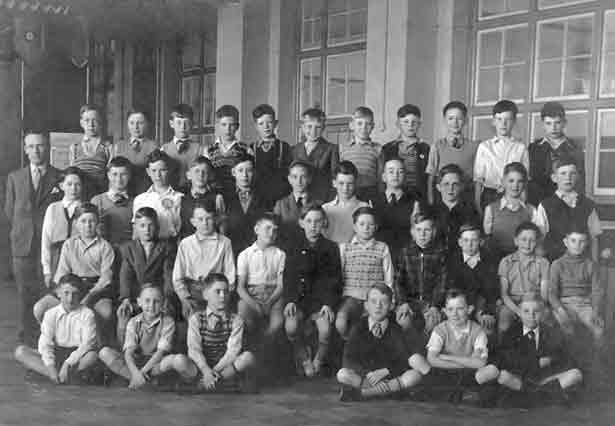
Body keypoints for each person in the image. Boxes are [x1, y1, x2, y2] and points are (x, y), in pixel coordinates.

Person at [5, 130, 62, 344]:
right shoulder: (15, 177)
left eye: (40, 146)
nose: (36, 150)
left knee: (47, 291)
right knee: (24, 292)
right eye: (31, 146)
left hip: (50, 245)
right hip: (23, 244)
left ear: (47, 147)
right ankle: (26, 337)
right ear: (25, 149)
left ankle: (46, 337)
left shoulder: (59, 176)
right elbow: (10, 212)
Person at [337, 283, 430, 401]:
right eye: (373, 302)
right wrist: (368, 374)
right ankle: (389, 392)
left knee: (414, 375)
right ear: (366, 305)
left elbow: (403, 359)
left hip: (390, 376)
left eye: (384, 302)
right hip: (367, 378)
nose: (378, 306)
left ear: (391, 306)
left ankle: (364, 394)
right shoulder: (358, 328)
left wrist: (385, 371)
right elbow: (348, 358)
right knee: (342, 374)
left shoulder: (395, 328)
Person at [34, 204, 115, 336]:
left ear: (97, 224)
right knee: (40, 308)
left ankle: (92, 344)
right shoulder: (69, 244)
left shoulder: (105, 247)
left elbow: (105, 279)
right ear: (77, 224)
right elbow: (62, 273)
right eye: (83, 221)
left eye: (92, 221)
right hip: (71, 287)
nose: (88, 225)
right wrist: (66, 294)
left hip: (95, 290)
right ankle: (56, 339)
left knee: (106, 312)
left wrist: (89, 296)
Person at [283, 204, 342, 377]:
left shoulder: (331, 248)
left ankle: (318, 360)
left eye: (317, 221)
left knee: (325, 330)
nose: (313, 225)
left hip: (320, 302)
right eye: (309, 221)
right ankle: (303, 358)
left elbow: (335, 280)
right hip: (299, 300)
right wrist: (290, 300)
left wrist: (328, 304)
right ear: (301, 223)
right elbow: (288, 277)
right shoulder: (293, 246)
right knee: (291, 327)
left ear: (324, 223)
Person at [497, 293, 582, 407]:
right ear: (520, 313)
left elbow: (558, 358)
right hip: (521, 379)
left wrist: (549, 361)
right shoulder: (511, 333)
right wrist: (536, 362)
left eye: (535, 311)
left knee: (576, 374)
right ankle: (544, 396)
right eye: (526, 311)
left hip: (543, 379)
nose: (531, 315)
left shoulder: (550, 332)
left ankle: (532, 397)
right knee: (503, 376)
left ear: (541, 314)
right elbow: (509, 360)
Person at [173, 274, 256, 392]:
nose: (223, 296)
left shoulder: (236, 320)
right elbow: (194, 349)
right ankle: (213, 383)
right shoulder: (196, 319)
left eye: (226, 292)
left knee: (248, 357)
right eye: (217, 291)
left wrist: (214, 372)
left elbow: (233, 352)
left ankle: (209, 383)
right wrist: (206, 370)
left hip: (224, 368)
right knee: (179, 361)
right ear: (205, 295)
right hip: (201, 367)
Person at [15, 274, 98, 384]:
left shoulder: (88, 314)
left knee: (92, 356)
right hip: (56, 353)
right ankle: (58, 376)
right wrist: (50, 367)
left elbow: (87, 344)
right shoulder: (50, 314)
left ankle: (59, 376)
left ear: (80, 294)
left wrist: (68, 364)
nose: (70, 299)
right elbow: (45, 344)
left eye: (75, 294)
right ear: (58, 293)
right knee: (20, 352)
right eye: (66, 293)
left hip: (77, 356)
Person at [425, 289, 499, 405]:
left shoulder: (477, 331)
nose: (454, 314)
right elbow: (431, 359)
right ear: (444, 311)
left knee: (492, 371)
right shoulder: (440, 330)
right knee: (430, 372)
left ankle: (461, 392)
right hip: (446, 372)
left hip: (468, 374)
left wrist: (449, 357)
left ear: (469, 309)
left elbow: (480, 363)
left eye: (460, 309)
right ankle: (461, 393)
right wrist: (465, 362)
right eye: (450, 309)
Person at [99, 285, 179, 389]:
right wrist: (135, 373)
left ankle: (142, 379)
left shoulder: (168, 322)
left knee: (174, 360)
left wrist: (143, 371)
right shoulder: (133, 322)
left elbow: (160, 352)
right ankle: (137, 379)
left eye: (156, 301)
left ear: (163, 304)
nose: (151, 305)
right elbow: (128, 353)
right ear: (139, 302)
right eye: (147, 301)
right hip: (136, 362)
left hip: (155, 363)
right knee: (104, 352)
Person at [117, 207, 175, 341]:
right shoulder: (128, 248)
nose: (147, 230)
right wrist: (125, 299)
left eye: (151, 225)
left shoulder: (166, 247)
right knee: (123, 313)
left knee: (168, 313)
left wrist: (166, 297)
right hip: (137, 297)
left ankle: (160, 349)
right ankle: (124, 349)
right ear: (135, 227)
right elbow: (125, 275)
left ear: (157, 227)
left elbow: (168, 275)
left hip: (158, 296)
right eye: (142, 226)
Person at [335, 207, 393, 340]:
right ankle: (351, 342)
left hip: (374, 298)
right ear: (355, 226)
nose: (366, 228)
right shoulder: (345, 247)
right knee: (341, 323)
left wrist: (391, 299)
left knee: (369, 328)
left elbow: (388, 276)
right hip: (351, 297)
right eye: (362, 224)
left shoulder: (382, 247)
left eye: (370, 224)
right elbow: (340, 276)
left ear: (376, 227)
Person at [173, 200, 235, 321]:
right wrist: (185, 298)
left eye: (209, 219)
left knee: (218, 321)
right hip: (193, 293)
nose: (205, 223)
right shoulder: (186, 244)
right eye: (200, 219)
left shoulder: (225, 242)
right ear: (193, 222)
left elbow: (230, 276)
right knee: (195, 322)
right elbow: (177, 277)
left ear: (215, 220)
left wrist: (223, 298)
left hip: (217, 292)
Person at [535, 158, 601, 262]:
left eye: (572, 173)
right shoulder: (545, 205)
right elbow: (539, 240)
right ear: (554, 178)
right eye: (563, 173)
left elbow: (594, 239)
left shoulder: (588, 205)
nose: (568, 178)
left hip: (582, 265)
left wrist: (595, 265)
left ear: (578, 176)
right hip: (554, 263)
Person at [236, 213, 285, 346]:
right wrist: (254, 304)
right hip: (252, 294)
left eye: (275, 230)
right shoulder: (245, 255)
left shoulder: (280, 254)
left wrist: (269, 302)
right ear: (257, 229)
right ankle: (253, 344)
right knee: (243, 312)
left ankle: (265, 343)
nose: (271, 233)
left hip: (273, 295)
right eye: (267, 228)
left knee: (278, 322)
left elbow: (281, 286)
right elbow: (240, 287)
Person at [394, 211, 447, 335]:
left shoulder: (440, 253)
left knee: (433, 325)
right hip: (409, 301)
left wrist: (435, 305)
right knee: (404, 323)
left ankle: (428, 352)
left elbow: (442, 283)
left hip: (431, 302)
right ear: (412, 232)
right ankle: (410, 353)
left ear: (433, 232)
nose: (422, 234)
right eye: (418, 230)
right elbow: (397, 281)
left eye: (427, 230)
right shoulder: (405, 252)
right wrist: (403, 302)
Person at [549, 229, 605, 346]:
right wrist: (560, 309)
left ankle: (596, 362)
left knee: (598, 330)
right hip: (564, 304)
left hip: (585, 304)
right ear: (566, 242)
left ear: (587, 243)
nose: (577, 245)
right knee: (566, 328)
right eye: (573, 241)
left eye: (581, 241)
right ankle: (567, 361)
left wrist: (595, 311)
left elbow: (597, 291)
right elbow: (552, 293)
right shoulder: (557, 264)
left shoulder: (591, 265)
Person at [473, 100, 529, 214]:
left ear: (514, 122)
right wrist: (478, 205)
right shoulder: (484, 147)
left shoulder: (521, 148)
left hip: (514, 195)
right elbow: (478, 180)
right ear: (493, 121)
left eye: (507, 120)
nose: (503, 124)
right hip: (489, 196)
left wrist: (523, 203)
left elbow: (525, 181)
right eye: (499, 119)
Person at [497, 222, 550, 338]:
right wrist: (518, 311)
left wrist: (534, 308)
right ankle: (503, 352)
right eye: (523, 239)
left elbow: (544, 295)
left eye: (532, 240)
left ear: (537, 242)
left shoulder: (543, 263)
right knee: (505, 318)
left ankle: (541, 351)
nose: (527, 244)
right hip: (512, 303)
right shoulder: (506, 262)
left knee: (546, 318)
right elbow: (504, 294)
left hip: (535, 302)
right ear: (516, 241)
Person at [528, 101, 584, 206]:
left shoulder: (574, 148)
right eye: (548, 123)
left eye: (557, 123)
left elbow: (580, 181)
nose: (553, 128)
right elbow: (531, 180)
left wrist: (577, 205)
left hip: (566, 203)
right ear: (542, 124)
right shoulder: (533, 148)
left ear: (564, 123)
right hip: (538, 203)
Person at [446, 224, 498, 337]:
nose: (469, 244)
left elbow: (491, 290)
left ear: (481, 242)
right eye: (465, 240)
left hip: (482, 306)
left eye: (474, 240)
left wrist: (484, 312)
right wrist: (467, 309)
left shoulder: (488, 260)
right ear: (460, 242)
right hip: (461, 306)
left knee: (487, 329)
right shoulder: (453, 261)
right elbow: (453, 289)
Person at [483, 162, 538, 261]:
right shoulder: (491, 209)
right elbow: (488, 240)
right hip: (496, 260)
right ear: (503, 182)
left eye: (520, 181)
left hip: (523, 261)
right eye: (511, 181)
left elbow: (535, 241)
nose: (515, 185)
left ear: (525, 183)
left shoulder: (531, 210)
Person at [426, 101, 478, 205]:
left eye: (459, 118)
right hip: (443, 201)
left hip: (466, 199)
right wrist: (431, 202)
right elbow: (431, 178)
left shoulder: (474, 146)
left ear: (466, 121)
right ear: (444, 121)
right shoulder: (437, 146)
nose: (455, 122)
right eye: (450, 118)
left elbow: (477, 179)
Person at [40, 166, 83, 291]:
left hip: (78, 259)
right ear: (61, 186)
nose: (73, 189)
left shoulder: (86, 208)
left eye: (77, 184)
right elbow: (46, 241)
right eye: (69, 184)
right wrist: (47, 271)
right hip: (56, 260)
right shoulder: (53, 208)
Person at [370, 156, 420, 261]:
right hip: (378, 256)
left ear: (405, 176)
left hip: (405, 257)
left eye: (400, 172)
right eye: (391, 171)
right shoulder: (372, 201)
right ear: (383, 177)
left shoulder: (414, 201)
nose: (396, 175)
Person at [379, 104, 430, 200]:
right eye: (406, 122)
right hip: (395, 194)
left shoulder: (426, 148)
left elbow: (428, 177)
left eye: (414, 122)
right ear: (398, 124)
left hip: (418, 194)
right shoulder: (388, 148)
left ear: (419, 124)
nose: (410, 125)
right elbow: (382, 175)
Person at [224, 153, 269, 257]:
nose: (245, 175)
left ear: (254, 172)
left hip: (257, 252)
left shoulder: (264, 197)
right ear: (233, 172)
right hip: (231, 251)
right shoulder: (224, 197)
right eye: (240, 170)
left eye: (249, 170)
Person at [133, 150, 183, 240]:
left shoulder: (179, 198)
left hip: (171, 244)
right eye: (154, 170)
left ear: (169, 170)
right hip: (146, 246)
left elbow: (182, 229)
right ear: (148, 172)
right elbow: (136, 232)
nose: (158, 175)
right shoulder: (140, 199)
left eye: (162, 170)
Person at [291, 107, 339, 202]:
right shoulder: (294, 149)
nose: (313, 131)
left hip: (321, 199)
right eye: (309, 126)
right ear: (303, 127)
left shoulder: (331, 149)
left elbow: (335, 178)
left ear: (323, 128)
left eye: (318, 127)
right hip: (299, 199)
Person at [204, 104, 252, 195]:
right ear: (218, 126)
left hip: (238, 195)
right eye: (224, 125)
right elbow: (206, 176)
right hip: (215, 195)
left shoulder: (245, 149)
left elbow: (250, 176)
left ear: (237, 126)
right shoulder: (209, 150)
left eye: (232, 125)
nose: (228, 129)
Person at [431, 164, 479, 254]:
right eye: (446, 184)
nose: (450, 188)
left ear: (461, 186)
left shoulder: (470, 212)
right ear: (438, 187)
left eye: (455, 184)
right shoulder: (430, 212)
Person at [250, 104, 292, 205]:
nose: (266, 127)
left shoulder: (284, 147)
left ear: (276, 123)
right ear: (256, 126)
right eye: (261, 124)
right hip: (258, 197)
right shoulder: (251, 148)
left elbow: (288, 175)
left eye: (269, 122)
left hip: (280, 196)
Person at [70, 104, 113, 198]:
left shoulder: (108, 147)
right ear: (81, 123)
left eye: (95, 120)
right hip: (79, 194)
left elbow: (111, 175)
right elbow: (72, 174)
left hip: (99, 192)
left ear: (100, 122)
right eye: (87, 120)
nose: (91, 125)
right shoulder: (75, 147)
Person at [338, 106, 381, 201]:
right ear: (352, 125)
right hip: (348, 193)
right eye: (359, 123)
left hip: (370, 193)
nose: (364, 128)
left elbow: (380, 177)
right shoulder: (342, 148)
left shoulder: (378, 149)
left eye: (368, 124)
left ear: (373, 126)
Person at [322, 161, 369, 245]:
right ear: (334, 183)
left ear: (356, 183)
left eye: (350, 184)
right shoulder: (325, 209)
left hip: (355, 254)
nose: (345, 188)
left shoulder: (364, 207)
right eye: (341, 183)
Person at [91, 156, 134, 246]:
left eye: (123, 174)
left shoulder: (136, 201)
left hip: (128, 251)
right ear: (108, 175)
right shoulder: (97, 201)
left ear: (129, 176)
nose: (119, 179)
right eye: (114, 174)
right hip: (103, 250)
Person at [179, 156, 226, 239]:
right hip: (189, 247)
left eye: (205, 172)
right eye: (197, 171)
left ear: (210, 175)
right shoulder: (181, 199)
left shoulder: (217, 198)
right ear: (188, 175)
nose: (201, 175)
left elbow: (222, 227)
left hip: (211, 245)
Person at [113, 109, 159, 194]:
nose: (135, 127)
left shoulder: (153, 146)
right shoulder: (119, 146)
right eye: (132, 123)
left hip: (145, 191)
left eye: (140, 123)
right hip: (123, 192)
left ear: (147, 124)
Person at [273, 160, 317, 245]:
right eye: (295, 177)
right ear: (289, 179)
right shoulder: (280, 204)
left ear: (309, 179)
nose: (299, 181)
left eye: (303, 177)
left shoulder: (318, 203)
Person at [160, 103, 202, 189]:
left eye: (187, 123)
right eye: (178, 122)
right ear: (171, 124)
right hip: (171, 193)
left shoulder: (200, 149)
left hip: (192, 193)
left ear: (192, 124)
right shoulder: (164, 149)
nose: (183, 127)